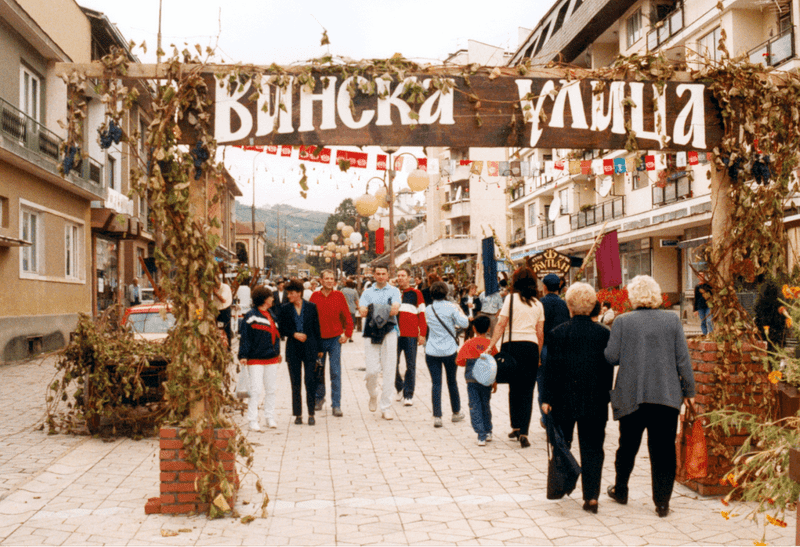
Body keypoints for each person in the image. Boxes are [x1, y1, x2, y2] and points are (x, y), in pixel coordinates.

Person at [604, 275, 696, 518]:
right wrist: (690, 391)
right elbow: (683, 360)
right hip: (665, 396)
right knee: (664, 450)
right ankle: (662, 502)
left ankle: (621, 489)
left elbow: (611, 357)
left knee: (627, 446)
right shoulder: (672, 320)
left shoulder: (622, 321)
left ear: (632, 296)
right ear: (657, 296)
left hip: (631, 394)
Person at [540, 282, 612, 513]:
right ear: (592, 305)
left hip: (563, 398)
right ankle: (591, 497)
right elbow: (607, 369)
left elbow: (551, 370)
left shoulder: (557, 333)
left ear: (569, 305)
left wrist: (546, 398)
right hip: (595, 399)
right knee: (593, 448)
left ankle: (563, 483)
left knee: (563, 442)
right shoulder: (603, 334)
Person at [487, 266, 544, 448]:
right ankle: (524, 432)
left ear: (515, 282)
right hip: (531, 348)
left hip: (512, 347)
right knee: (527, 390)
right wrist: (539, 354)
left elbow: (501, 325)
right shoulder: (538, 303)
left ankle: (516, 426)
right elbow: (540, 332)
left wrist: (491, 345)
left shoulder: (510, 299)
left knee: (514, 388)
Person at [359, 265, 401, 420]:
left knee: (389, 369)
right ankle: (373, 394)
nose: (381, 276)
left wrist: (373, 309)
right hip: (371, 332)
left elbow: (395, 309)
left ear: (388, 275)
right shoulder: (367, 292)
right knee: (371, 370)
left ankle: (386, 406)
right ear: (373, 275)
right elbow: (362, 309)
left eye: (384, 273)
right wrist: (384, 309)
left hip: (390, 332)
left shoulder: (394, 291)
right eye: (378, 273)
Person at [278, 279, 323, 426]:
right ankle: (298, 414)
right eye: (288, 293)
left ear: (299, 293)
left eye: (291, 293)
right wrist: (294, 334)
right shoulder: (284, 308)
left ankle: (311, 413)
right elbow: (281, 329)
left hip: (310, 348)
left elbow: (317, 328)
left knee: (310, 381)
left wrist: (320, 349)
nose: (289, 296)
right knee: (295, 383)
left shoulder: (311, 307)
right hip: (293, 349)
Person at [424, 281, 468, 428]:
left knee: (436, 383)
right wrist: (460, 311)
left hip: (432, 350)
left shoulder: (428, 309)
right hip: (449, 351)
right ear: (446, 293)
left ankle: (437, 416)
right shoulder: (451, 307)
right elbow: (465, 324)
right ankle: (456, 412)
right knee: (452, 381)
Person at [309, 270, 353, 417]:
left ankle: (336, 404)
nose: (329, 281)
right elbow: (309, 318)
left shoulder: (339, 296)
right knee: (318, 371)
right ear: (321, 280)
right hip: (319, 340)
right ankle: (319, 398)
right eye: (326, 278)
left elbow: (347, 315)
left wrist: (347, 334)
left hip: (335, 339)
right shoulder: (315, 296)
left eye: (331, 279)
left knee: (335, 372)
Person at [239, 286, 282, 431]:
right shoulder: (251, 316)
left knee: (271, 389)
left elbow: (276, 336)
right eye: (270, 296)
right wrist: (243, 355)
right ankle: (252, 420)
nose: (273, 298)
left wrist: (278, 352)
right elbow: (245, 337)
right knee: (256, 390)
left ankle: (269, 417)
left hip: (271, 359)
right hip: (255, 358)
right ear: (264, 299)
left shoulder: (272, 315)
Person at [456, 315, 497, 445]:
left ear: (473, 328)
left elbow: (459, 361)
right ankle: (488, 430)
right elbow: (495, 364)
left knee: (475, 405)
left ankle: (481, 434)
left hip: (472, 381)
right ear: (489, 329)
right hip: (487, 381)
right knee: (485, 404)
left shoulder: (468, 343)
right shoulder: (491, 345)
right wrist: (494, 381)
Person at [537, 273, 570, 424]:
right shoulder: (564, 305)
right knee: (560, 381)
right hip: (561, 348)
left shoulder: (539, 303)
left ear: (544, 287)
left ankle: (545, 417)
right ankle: (557, 414)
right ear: (559, 287)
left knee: (543, 382)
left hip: (544, 347)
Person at [394, 268, 427, 406]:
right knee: (391, 364)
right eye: (398, 276)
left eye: (403, 275)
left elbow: (422, 315)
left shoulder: (416, 293)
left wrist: (422, 334)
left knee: (411, 365)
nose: (400, 278)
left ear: (409, 278)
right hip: (394, 334)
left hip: (411, 335)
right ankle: (400, 387)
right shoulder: (394, 293)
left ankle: (408, 394)